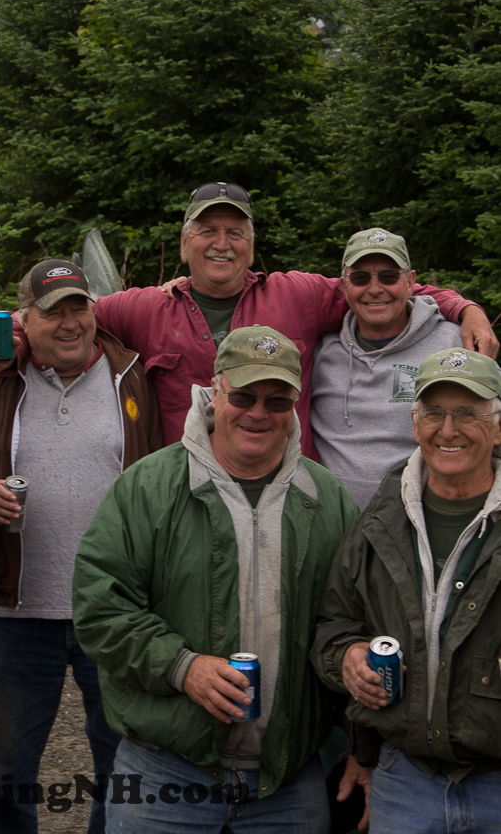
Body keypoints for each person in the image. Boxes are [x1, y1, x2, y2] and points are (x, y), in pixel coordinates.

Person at [72, 325, 368, 833]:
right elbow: (100, 607)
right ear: (215, 390)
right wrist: (182, 667)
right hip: (163, 775)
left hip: (288, 782)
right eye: (244, 396)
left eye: (277, 400)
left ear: (295, 404)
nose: (258, 412)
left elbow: (352, 627)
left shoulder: (327, 498)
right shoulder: (147, 487)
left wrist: (363, 744)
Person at [0, 183, 498, 457]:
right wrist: (9, 340)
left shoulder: (299, 295)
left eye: (235, 232)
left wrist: (464, 308)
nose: (221, 243)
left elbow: (380, 289)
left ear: (251, 245)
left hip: (286, 489)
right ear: (184, 245)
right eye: (207, 231)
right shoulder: (142, 308)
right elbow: (64, 315)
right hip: (184, 496)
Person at [0, 259, 163, 834]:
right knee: (6, 771)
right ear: (24, 320)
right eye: (53, 313)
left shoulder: (134, 377)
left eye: (79, 308)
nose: (70, 323)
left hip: (115, 610)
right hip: (17, 614)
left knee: (121, 765)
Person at [312, 347, 501, 834]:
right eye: (433, 413)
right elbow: (333, 624)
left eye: (468, 413)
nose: (448, 429)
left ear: (498, 427)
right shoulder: (379, 521)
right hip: (404, 780)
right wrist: (348, 657)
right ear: (415, 425)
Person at [311, 228, 464, 508]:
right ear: (344, 285)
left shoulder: (454, 346)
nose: (375, 289)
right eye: (360, 277)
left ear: (410, 281)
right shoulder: (321, 350)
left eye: (389, 276)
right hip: (333, 521)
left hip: (420, 519)